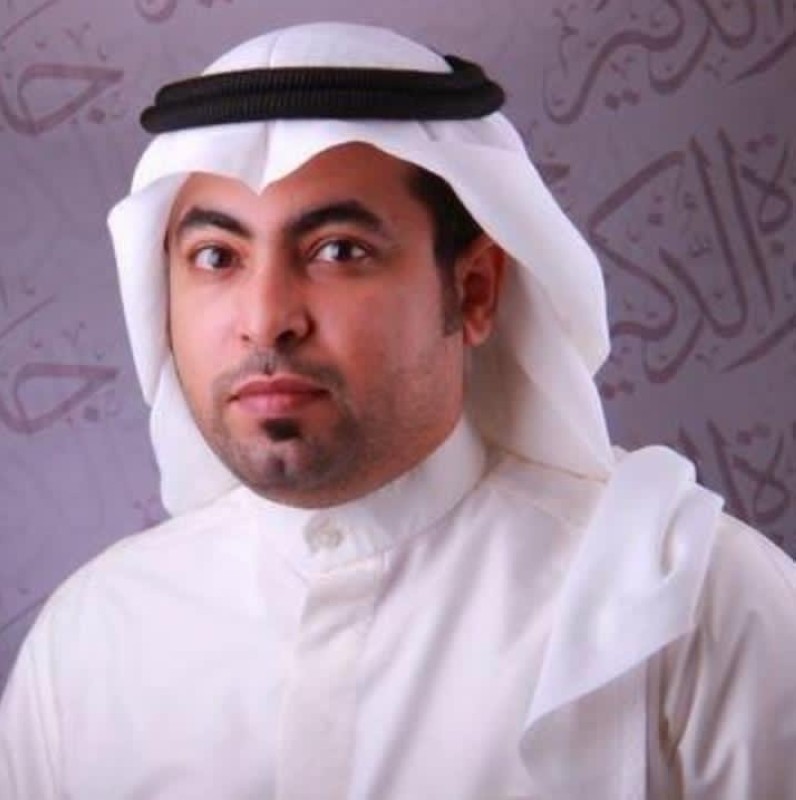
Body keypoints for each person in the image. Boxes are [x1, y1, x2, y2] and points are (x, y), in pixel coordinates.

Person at [1, 21, 794, 799]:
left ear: (474, 291)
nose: (266, 319)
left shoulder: (692, 602)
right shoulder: (89, 641)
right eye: (217, 257)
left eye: (339, 250)